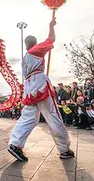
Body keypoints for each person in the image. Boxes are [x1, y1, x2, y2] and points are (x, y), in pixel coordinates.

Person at [8, 16, 74, 162]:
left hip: (29, 87)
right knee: (52, 115)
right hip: (39, 84)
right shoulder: (35, 50)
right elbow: (51, 39)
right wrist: (51, 25)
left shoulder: (25, 57)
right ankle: (64, 149)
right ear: (35, 43)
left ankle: (15, 144)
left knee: (28, 117)